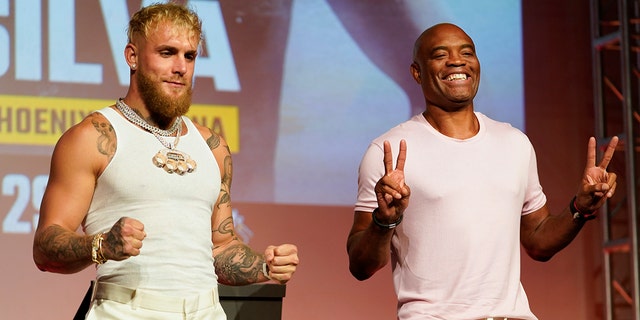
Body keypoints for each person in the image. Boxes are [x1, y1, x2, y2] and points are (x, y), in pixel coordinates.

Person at [32, 3, 298, 319]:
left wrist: (264, 265)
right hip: (126, 311)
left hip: (206, 312)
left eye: (189, 56)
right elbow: (46, 246)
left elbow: (222, 247)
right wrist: (101, 245)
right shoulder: (93, 138)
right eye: (167, 53)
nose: (181, 67)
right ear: (132, 56)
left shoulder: (213, 146)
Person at [346, 23, 618, 320]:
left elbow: (539, 243)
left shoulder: (514, 143)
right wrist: (384, 221)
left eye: (467, 52)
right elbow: (361, 266)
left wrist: (580, 208)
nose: (457, 60)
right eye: (440, 54)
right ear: (417, 72)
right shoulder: (388, 152)